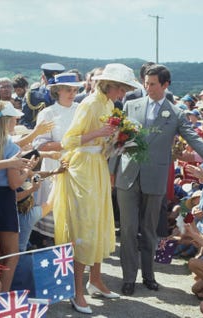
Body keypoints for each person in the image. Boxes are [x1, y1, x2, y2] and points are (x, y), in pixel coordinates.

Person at [112, 64, 203, 296]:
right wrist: (112, 171)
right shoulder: (130, 105)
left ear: (165, 85)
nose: (147, 88)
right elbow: (117, 141)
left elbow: (193, 138)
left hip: (155, 177)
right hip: (127, 176)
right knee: (129, 230)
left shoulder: (176, 113)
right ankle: (128, 278)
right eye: (146, 83)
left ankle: (148, 276)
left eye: (152, 84)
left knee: (150, 230)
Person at [51, 63, 140, 314]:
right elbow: (67, 141)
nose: (123, 93)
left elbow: (103, 142)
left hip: (98, 165)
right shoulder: (89, 103)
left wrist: (117, 142)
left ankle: (96, 280)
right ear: (110, 85)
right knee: (85, 227)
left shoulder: (110, 105)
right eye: (122, 88)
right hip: (82, 169)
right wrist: (100, 133)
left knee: (100, 223)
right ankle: (77, 292)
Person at [0, 100, 35, 292]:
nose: (15, 122)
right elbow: (14, 183)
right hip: (4, 200)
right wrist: (27, 173)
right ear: (6, 122)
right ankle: (3, 296)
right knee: (11, 254)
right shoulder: (11, 147)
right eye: (13, 119)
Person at [31, 72, 83, 247]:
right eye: (68, 89)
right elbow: (40, 145)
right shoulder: (48, 113)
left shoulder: (81, 110)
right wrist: (65, 144)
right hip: (55, 168)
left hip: (78, 169)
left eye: (74, 89)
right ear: (57, 90)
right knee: (54, 223)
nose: (72, 93)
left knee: (75, 221)